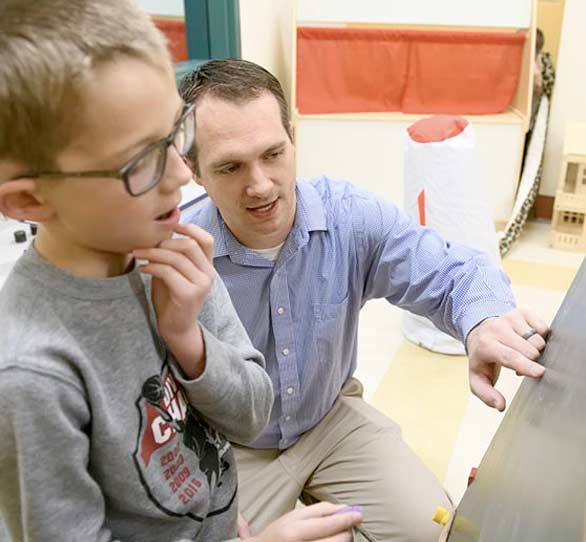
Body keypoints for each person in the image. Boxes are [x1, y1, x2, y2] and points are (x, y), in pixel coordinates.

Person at [0, 2, 363, 541]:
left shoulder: (168, 247)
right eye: (139, 162)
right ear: (30, 199)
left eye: (177, 134)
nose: (181, 173)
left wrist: (188, 338)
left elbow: (250, 413)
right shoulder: (31, 375)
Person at [179, 59, 549, 542]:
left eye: (273, 153)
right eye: (230, 166)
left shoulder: (348, 218)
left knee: (431, 530)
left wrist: (481, 319)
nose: (261, 185)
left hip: (329, 419)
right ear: (193, 169)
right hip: (227, 447)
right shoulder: (176, 255)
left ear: (293, 137)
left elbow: (453, 270)